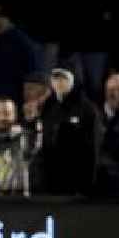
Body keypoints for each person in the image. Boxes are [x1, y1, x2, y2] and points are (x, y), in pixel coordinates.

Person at [40, 67, 101, 195]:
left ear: (73, 81)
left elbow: (93, 150)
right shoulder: (48, 106)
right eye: (55, 78)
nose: (59, 82)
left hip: (78, 186)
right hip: (51, 184)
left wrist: (88, 186)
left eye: (64, 78)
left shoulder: (88, 109)